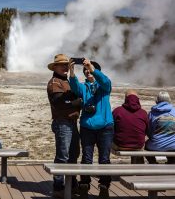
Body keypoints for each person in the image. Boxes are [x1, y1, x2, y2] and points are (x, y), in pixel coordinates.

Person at [69, 58, 114, 199]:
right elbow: (75, 87)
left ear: (97, 71)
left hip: (105, 126)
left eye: (90, 69)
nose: (87, 71)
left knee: (104, 159)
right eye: (85, 70)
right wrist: (71, 72)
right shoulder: (84, 87)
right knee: (86, 158)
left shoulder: (104, 86)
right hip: (87, 126)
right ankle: (84, 184)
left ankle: (104, 186)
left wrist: (92, 68)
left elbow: (106, 82)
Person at [47, 54, 82, 197]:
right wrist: (76, 102)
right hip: (63, 123)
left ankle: (72, 183)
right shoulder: (55, 82)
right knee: (63, 155)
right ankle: (58, 186)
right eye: (61, 65)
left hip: (72, 122)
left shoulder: (66, 81)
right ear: (54, 67)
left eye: (66, 65)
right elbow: (59, 102)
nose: (64, 67)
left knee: (74, 154)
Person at [112, 90, 149, 164]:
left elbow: (111, 128)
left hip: (120, 145)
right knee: (138, 147)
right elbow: (147, 130)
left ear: (126, 98)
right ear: (137, 99)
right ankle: (139, 170)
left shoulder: (117, 111)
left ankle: (104, 165)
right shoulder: (143, 113)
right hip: (138, 145)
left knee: (104, 142)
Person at [145, 91, 175, 164]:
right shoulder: (174, 111)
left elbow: (149, 131)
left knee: (146, 146)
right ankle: (171, 163)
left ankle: (153, 163)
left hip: (156, 145)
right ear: (169, 99)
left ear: (157, 100)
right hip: (173, 145)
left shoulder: (152, 113)